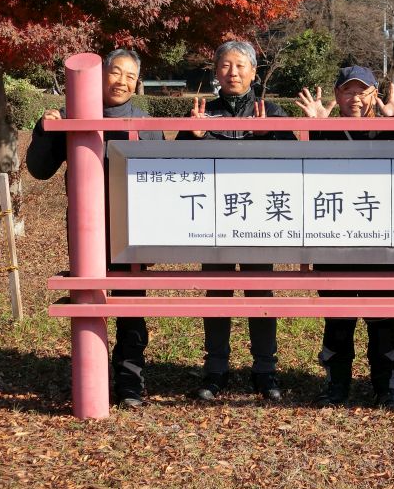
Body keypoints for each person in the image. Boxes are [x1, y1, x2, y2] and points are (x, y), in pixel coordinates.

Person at [26, 48, 164, 409]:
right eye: (115, 72)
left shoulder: (146, 124)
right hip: (87, 231)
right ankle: (91, 379)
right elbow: (39, 170)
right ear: (101, 75)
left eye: (130, 76)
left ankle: (130, 382)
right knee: (89, 303)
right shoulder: (71, 116)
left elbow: (164, 182)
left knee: (132, 307)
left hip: (134, 231)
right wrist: (44, 130)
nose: (122, 82)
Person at [177, 40, 295, 402]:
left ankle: (265, 371)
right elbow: (174, 162)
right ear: (216, 71)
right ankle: (215, 370)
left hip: (259, 217)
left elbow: (296, 157)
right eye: (226, 65)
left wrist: (268, 134)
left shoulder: (270, 111)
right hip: (213, 217)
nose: (233, 73)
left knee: (260, 291)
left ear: (254, 72)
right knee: (217, 292)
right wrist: (191, 135)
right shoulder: (203, 113)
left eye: (241, 66)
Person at [294, 65, 394, 408]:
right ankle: (336, 385)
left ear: (375, 95)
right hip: (334, 242)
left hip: (382, 242)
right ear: (337, 95)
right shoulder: (324, 132)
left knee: (382, 316)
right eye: (348, 91)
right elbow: (306, 174)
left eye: (363, 91)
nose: (356, 98)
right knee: (338, 316)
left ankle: (385, 386)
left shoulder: (389, 130)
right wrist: (317, 127)